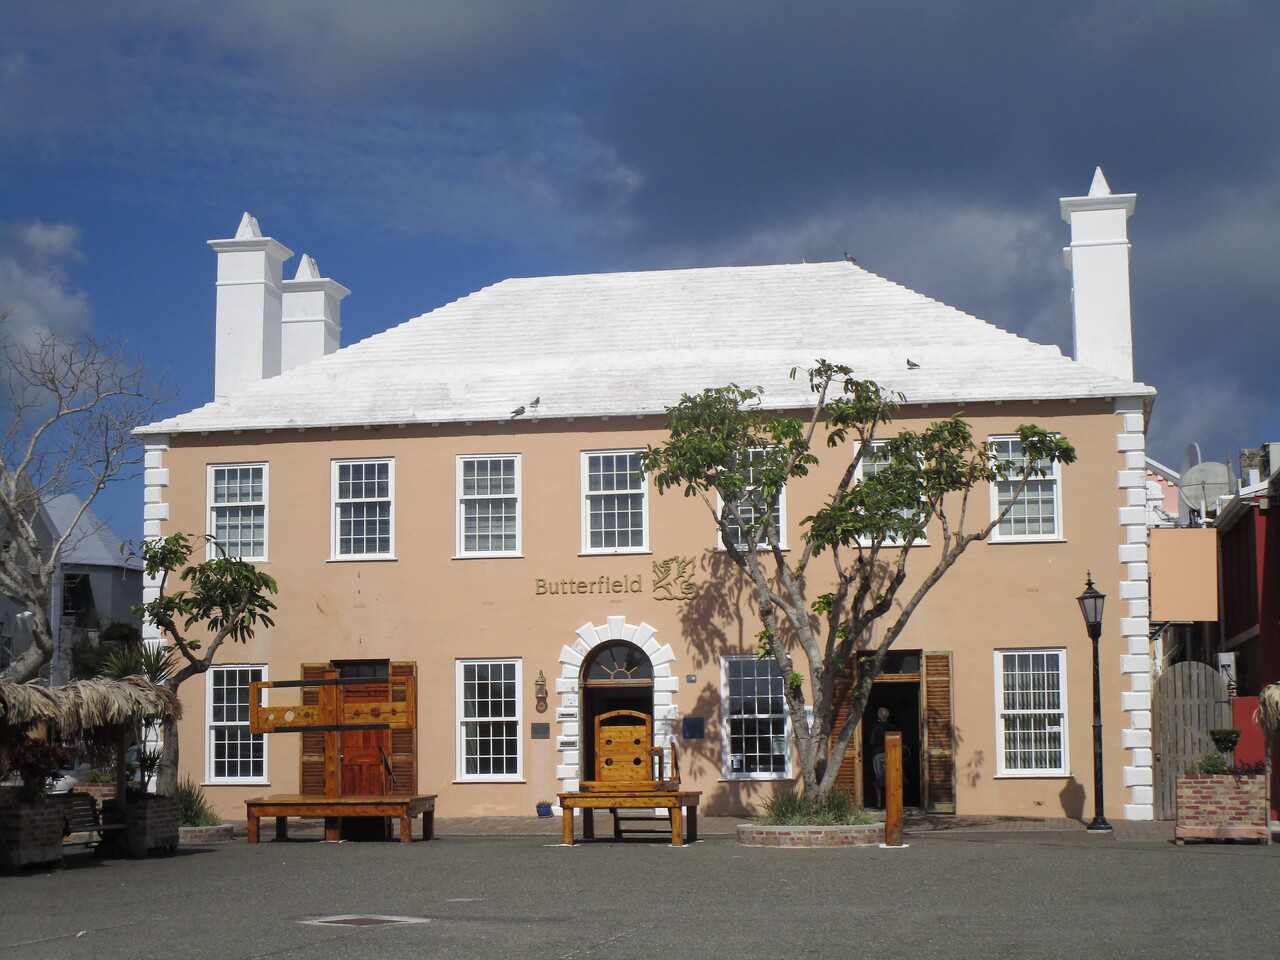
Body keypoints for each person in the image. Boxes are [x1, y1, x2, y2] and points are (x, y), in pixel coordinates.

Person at [869, 707, 899, 808]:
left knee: (877, 778)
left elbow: (871, 742)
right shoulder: (894, 727)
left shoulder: (875, 728)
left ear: (878, 716)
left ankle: (879, 802)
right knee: (892, 776)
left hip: (878, 754)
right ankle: (892, 801)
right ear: (888, 716)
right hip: (892, 753)